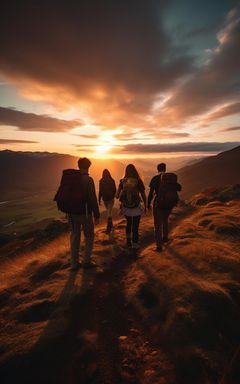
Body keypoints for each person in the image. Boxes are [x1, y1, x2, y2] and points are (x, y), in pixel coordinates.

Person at [55, 157, 100, 270]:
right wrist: (97, 214)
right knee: (89, 236)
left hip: (72, 213)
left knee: (75, 236)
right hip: (84, 213)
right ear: (89, 166)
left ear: (79, 165)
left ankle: (74, 263)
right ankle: (86, 262)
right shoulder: (88, 180)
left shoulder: (71, 178)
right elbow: (92, 198)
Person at [148, 163, 181, 252]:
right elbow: (179, 188)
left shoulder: (155, 179)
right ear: (165, 169)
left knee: (157, 225)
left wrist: (148, 205)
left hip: (158, 204)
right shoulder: (170, 179)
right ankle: (165, 238)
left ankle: (159, 246)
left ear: (157, 169)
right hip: (169, 204)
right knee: (165, 220)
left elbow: (151, 193)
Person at [116, 164, 146, 249]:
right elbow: (143, 195)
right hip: (136, 207)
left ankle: (128, 241)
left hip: (126, 207)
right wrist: (146, 205)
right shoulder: (138, 181)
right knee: (135, 227)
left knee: (129, 223)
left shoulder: (122, 181)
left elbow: (117, 196)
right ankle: (135, 245)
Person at [99, 169, 117, 233]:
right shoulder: (112, 180)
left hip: (105, 199)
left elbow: (100, 191)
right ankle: (110, 225)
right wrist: (114, 195)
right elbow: (115, 189)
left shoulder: (101, 181)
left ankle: (110, 226)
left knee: (108, 211)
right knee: (109, 212)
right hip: (111, 198)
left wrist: (99, 199)